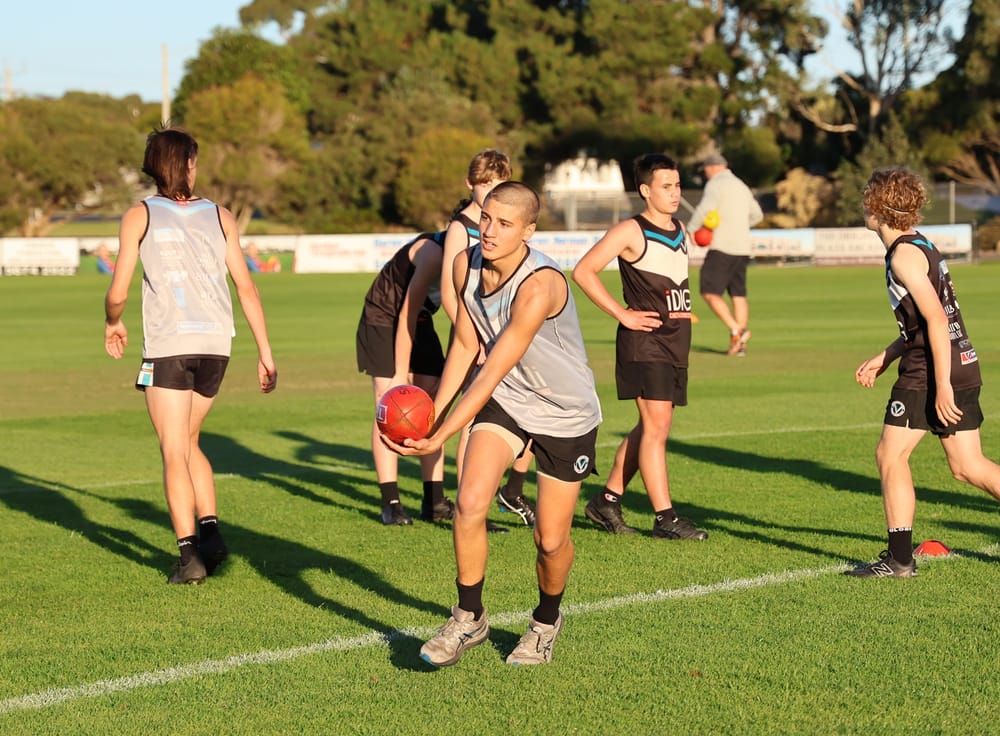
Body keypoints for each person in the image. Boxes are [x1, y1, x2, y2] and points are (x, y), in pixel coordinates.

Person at [385, 181, 602, 666]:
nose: (489, 230)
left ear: (528, 230)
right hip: (507, 400)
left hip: (565, 414)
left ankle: (546, 622)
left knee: (550, 539)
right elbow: (465, 345)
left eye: (504, 223)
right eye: (486, 218)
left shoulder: (539, 285)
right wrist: (433, 417)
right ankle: (468, 617)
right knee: (469, 502)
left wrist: (438, 437)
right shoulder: (465, 265)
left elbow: (494, 367)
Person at [103, 127, 278, 585]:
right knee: (191, 439)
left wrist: (112, 321)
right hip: (217, 345)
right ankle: (212, 533)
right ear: (186, 165)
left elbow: (118, 291)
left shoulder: (139, 214)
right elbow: (247, 286)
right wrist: (265, 352)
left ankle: (189, 558)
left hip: (168, 346)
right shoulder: (221, 215)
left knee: (173, 448)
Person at [845, 166, 1000, 577]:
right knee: (968, 466)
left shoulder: (903, 255)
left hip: (933, 370)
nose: (863, 202)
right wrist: (887, 354)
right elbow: (924, 322)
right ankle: (898, 558)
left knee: (890, 454)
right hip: (960, 360)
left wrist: (941, 386)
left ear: (879, 206)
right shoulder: (920, 245)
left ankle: (898, 560)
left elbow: (934, 319)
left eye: (867, 194)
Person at [572, 153, 707, 540]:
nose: (675, 192)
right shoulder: (631, 230)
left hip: (675, 341)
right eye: (667, 186)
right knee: (656, 426)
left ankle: (607, 501)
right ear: (645, 190)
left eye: (678, 185)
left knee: (651, 426)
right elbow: (584, 270)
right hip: (643, 342)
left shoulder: (680, 227)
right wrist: (622, 314)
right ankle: (665, 517)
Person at [441, 149, 535, 529]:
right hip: (475, 338)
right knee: (472, 422)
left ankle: (507, 490)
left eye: (497, 185)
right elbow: (453, 292)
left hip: (501, 338)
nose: (490, 192)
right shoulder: (462, 230)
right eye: (484, 186)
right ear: (471, 186)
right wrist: (476, 337)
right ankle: (469, 503)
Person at [356, 231, 450, 525]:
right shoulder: (434, 252)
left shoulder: (479, 253)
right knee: (389, 403)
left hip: (420, 319)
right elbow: (405, 311)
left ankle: (434, 501)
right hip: (384, 317)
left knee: (433, 405)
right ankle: (391, 503)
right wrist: (398, 374)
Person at [688, 152, 763, 356]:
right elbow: (757, 214)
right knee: (738, 294)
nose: (705, 174)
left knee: (709, 291)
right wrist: (738, 224)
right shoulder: (741, 185)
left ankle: (737, 329)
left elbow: (705, 209)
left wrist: (690, 230)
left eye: (705, 170)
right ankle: (739, 345)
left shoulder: (715, 184)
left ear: (712, 167)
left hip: (722, 247)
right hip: (742, 248)